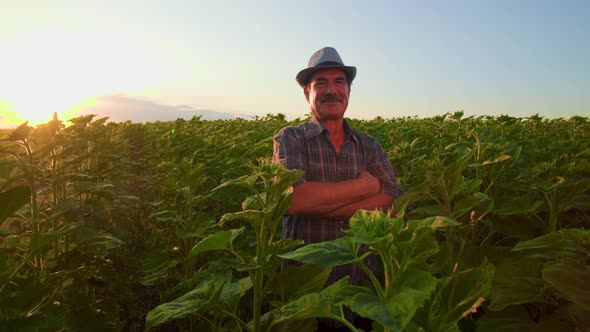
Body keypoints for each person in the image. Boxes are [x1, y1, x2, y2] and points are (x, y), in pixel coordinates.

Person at [272, 46, 403, 330]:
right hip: (305, 297)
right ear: (307, 93)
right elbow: (294, 199)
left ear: (348, 92)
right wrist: (364, 186)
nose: (332, 90)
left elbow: (392, 201)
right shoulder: (291, 139)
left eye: (339, 82)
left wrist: (319, 205)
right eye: (321, 83)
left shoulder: (369, 144)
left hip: (362, 291)